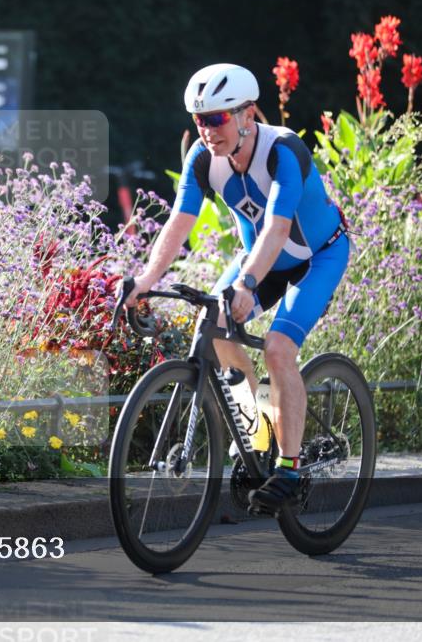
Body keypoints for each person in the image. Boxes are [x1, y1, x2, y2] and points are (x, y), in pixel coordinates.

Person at [121, 63, 351, 514]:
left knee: (279, 348)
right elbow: (179, 222)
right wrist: (146, 281)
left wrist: (247, 282)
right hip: (260, 261)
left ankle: (290, 466)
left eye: (218, 117)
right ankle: (259, 428)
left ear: (247, 115)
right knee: (215, 322)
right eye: (200, 120)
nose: (207, 130)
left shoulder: (284, 150)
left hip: (317, 256)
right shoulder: (204, 160)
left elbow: (278, 227)